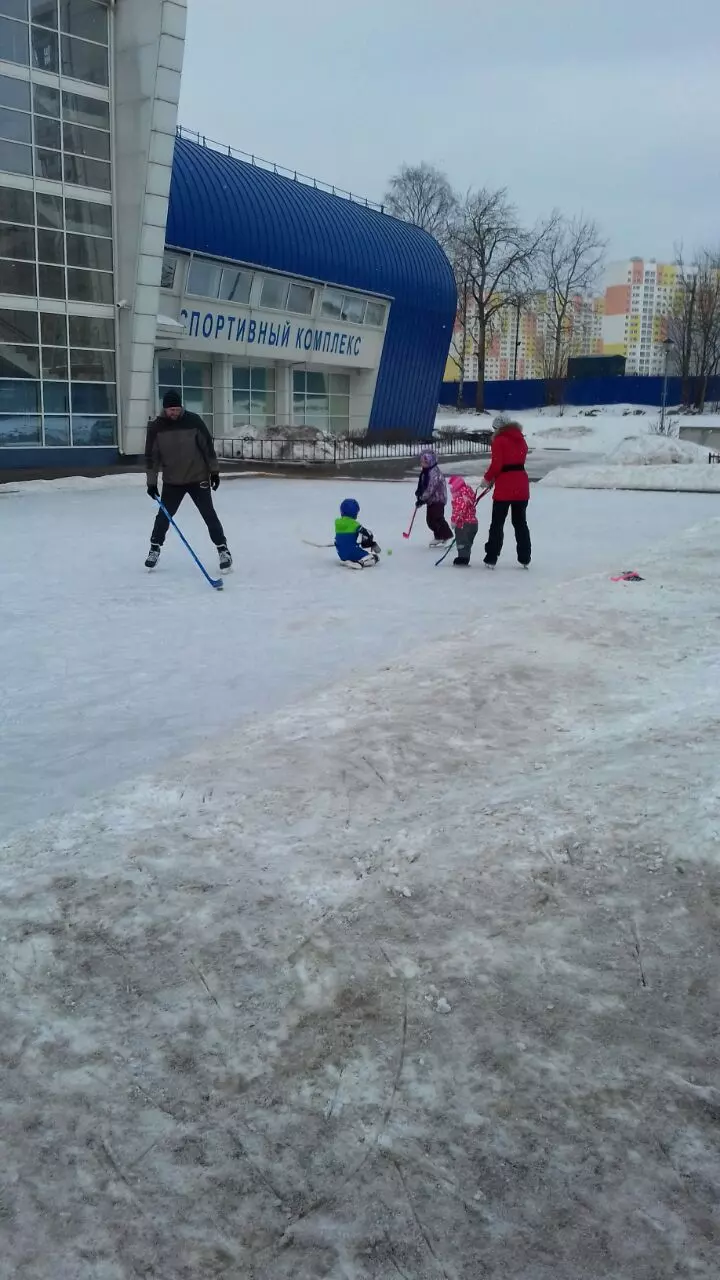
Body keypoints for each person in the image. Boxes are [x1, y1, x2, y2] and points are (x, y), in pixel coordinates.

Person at [144, 390, 232, 571]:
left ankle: (223, 550)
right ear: (164, 409)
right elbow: (151, 458)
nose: (174, 413)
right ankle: (154, 548)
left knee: (209, 514)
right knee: (164, 517)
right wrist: (151, 483)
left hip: (197, 477)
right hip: (172, 481)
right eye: (171, 410)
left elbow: (208, 448)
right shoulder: (156, 427)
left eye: (177, 409)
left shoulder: (194, 421)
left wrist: (214, 472)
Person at [482, 415, 531, 568]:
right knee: (520, 522)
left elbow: (497, 465)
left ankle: (491, 556)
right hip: (521, 484)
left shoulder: (499, 440)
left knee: (497, 523)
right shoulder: (521, 439)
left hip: (504, 486)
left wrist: (487, 479)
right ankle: (525, 557)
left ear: (498, 428)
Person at [415, 449, 453, 548]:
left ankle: (448, 536)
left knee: (438, 518)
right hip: (431, 500)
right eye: (422, 462)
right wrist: (419, 493)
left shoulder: (434, 473)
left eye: (425, 462)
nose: (423, 464)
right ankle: (439, 536)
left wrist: (422, 499)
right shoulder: (425, 472)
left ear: (431, 462)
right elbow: (423, 485)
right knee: (430, 520)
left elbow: (431, 488)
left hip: (438, 499)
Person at [334, 498, 381, 569]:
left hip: (341, 554)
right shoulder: (355, 524)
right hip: (352, 552)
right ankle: (360, 563)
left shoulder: (337, 522)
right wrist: (371, 543)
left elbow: (343, 538)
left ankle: (346, 561)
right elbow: (367, 534)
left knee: (348, 549)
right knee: (375, 557)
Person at [448, 475, 479, 566]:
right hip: (473, 524)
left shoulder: (460, 496)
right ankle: (465, 557)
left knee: (462, 542)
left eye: (452, 486)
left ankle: (463, 559)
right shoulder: (467, 493)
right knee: (467, 543)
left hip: (464, 524)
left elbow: (459, 509)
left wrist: (454, 521)